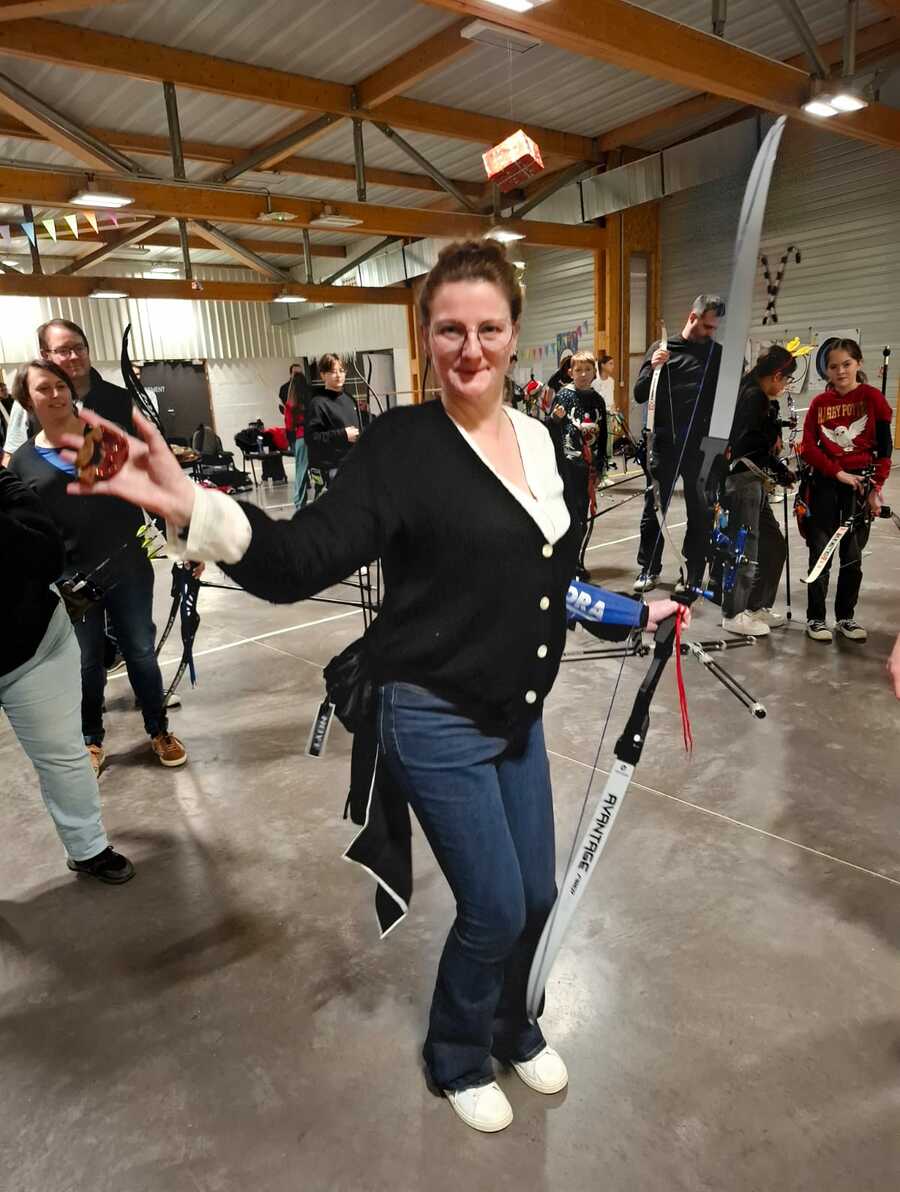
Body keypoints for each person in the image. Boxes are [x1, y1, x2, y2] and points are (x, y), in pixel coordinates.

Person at [60, 240, 687, 1135]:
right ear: (426, 336)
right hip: (434, 713)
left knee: (539, 899)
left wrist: (631, 611)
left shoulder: (541, 440)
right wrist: (191, 505)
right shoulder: (401, 447)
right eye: (450, 330)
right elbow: (296, 559)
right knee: (494, 906)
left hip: (518, 713)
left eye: (488, 329)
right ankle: (457, 1055)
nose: (470, 349)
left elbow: (550, 574)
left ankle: (514, 1026)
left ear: (514, 334)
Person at [8, 360, 188, 773]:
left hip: (129, 568)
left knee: (140, 652)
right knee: (87, 663)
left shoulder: (106, 438)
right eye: (43, 389)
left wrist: (185, 543)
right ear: (27, 401)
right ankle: (91, 739)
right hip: (72, 581)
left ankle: (158, 729)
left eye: (60, 385)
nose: (56, 394)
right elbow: (26, 530)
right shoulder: (23, 463)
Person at [0, 467, 135, 883]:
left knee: (63, 756)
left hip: (35, 647)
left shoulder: (6, 487)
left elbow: (47, 557)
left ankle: (88, 848)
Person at [799, 339, 892, 643]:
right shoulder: (819, 404)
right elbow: (809, 447)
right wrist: (836, 472)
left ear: (859, 363)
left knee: (852, 555)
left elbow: (885, 448)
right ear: (826, 370)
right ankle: (815, 618)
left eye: (846, 364)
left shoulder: (872, 398)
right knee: (821, 551)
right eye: (833, 366)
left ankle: (845, 618)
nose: (840, 371)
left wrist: (876, 487)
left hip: (860, 486)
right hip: (826, 483)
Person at [633, 295, 725, 593]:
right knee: (655, 508)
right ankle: (649, 568)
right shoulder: (662, 348)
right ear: (692, 317)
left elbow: (729, 399)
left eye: (714, 328)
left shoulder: (717, 354)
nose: (711, 333)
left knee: (700, 511)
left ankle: (693, 573)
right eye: (707, 326)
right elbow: (639, 393)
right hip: (664, 443)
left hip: (701, 448)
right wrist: (653, 368)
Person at [720, 344, 797, 637]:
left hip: (754, 482)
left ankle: (756, 606)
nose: (785, 385)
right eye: (786, 379)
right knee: (745, 548)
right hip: (743, 481)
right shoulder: (752, 396)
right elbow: (749, 446)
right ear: (776, 376)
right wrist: (779, 470)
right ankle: (734, 613)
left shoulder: (757, 396)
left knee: (773, 545)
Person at [551, 351, 608, 577]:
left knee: (582, 518)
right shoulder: (563, 396)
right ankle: (562, 563)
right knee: (567, 517)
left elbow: (603, 436)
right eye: (578, 370)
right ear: (570, 372)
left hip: (588, 468)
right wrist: (555, 419)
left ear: (595, 373)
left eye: (587, 370)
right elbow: (550, 430)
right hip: (566, 467)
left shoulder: (598, 400)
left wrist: (601, 466)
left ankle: (576, 562)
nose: (583, 375)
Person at [305, 354, 360, 488]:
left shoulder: (349, 399)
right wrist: (343, 434)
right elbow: (312, 438)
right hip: (333, 469)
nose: (338, 375)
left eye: (341, 371)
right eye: (333, 372)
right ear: (323, 375)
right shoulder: (317, 403)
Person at [284, 370, 310, 510]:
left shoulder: (291, 404)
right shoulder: (310, 401)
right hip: (314, 436)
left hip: (301, 438)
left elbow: (289, 425)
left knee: (301, 471)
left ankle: (299, 502)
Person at [592, 352, 616, 467]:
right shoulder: (595, 382)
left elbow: (612, 398)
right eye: (610, 363)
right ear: (602, 365)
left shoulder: (611, 381)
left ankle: (608, 461)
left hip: (609, 414)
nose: (613, 366)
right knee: (598, 439)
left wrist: (614, 414)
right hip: (598, 414)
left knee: (609, 439)